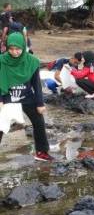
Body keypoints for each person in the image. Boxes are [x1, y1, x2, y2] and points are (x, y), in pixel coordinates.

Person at [0, 32, 53, 161]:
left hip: (27, 96)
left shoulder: (32, 62)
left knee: (39, 121)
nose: (15, 52)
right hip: (7, 96)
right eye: (11, 49)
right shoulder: (1, 61)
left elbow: (37, 84)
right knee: (1, 125)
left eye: (18, 49)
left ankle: (42, 152)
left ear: (23, 47)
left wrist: (40, 103)